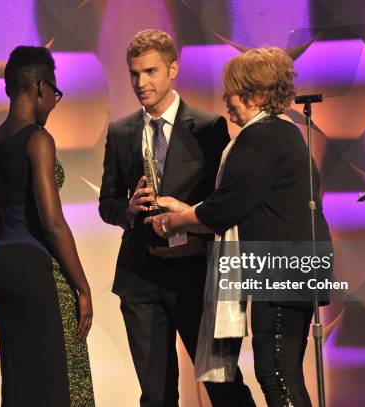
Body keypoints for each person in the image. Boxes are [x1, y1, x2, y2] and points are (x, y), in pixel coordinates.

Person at [146, 47, 332, 407]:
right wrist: (187, 210)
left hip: (282, 272)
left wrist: (172, 220)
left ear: (257, 95)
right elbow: (236, 204)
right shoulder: (281, 134)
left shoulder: (260, 138)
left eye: (231, 90)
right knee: (283, 374)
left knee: (276, 374)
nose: (224, 99)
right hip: (290, 268)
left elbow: (223, 210)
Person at [98, 29, 254, 407]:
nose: (141, 82)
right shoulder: (121, 132)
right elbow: (108, 203)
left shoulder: (209, 127)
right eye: (134, 74)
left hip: (196, 275)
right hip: (142, 278)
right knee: (156, 394)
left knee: (223, 384)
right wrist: (129, 209)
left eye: (150, 71)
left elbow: (223, 202)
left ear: (173, 69)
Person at [0, 46, 95, 406]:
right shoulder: (38, 139)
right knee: (59, 379)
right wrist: (83, 287)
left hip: (0, 265)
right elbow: (53, 222)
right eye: (55, 93)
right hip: (36, 269)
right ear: (41, 88)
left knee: (19, 379)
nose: (54, 102)